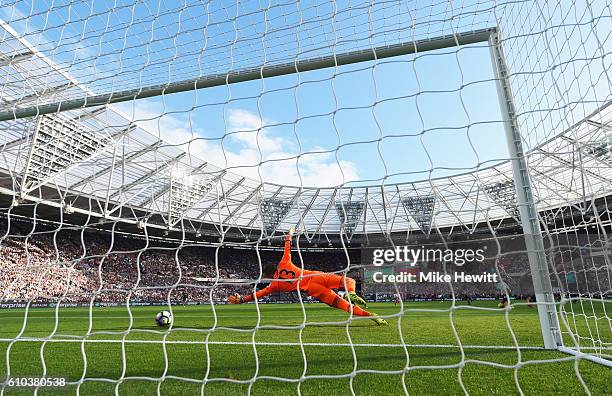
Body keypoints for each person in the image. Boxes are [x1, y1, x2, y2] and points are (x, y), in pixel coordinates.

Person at [228, 227, 388, 325]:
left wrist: (242, 299)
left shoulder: (275, 285)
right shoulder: (284, 263)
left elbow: (258, 294)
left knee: (345, 306)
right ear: (275, 267)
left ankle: (372, 316)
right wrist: (290, 234)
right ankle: (351, 293)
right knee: (349, 280)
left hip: (313, 290)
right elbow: (287, 247)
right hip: (317, 276)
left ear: (269, 275)